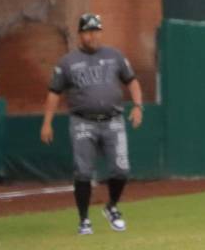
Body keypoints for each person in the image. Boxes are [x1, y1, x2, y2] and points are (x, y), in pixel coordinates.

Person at [40, 13, 143, 235]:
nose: (92, 36)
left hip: (113, 120)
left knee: (121, 170)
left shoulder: (114, 56)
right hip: (82, 122)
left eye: (96, 31)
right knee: (83, 173)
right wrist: (47, 123)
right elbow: (54, 93)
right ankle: (84, 220)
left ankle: (112, 207)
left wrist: (137, 106)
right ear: (80, 34)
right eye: (87, 32)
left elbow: (132, 81)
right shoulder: (68, 62)